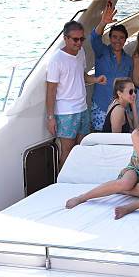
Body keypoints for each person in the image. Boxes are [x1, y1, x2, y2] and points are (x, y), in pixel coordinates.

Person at [65, 99, 139, 209]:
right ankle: (82, 197)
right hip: (137, 169)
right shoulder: (138, 134)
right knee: (126, 182)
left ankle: (118, 189)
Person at [46, 21, 107, 169]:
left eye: (82, 39)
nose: (79, 43)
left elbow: (82, 75)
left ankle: (77, 179)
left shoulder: (80, 53)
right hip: (66, 112)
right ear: (65, 38)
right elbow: (51, 90)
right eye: (75, 39)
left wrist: (95, 79)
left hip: (82, 108)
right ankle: (62, 184)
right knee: (67, 151)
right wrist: (50, 118)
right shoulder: (56, 60)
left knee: (81, 148)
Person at [89, 0, 134, 131]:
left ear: (125, 40)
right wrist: (103, 22)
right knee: (100, 139)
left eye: (121, 38)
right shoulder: (101, 51)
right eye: (114, 37)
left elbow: (129, 84)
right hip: (101, 105)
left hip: (121, 107)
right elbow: (94, 38)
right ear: (110, 38)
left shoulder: (128, 60)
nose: (117, 40)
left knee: (117, 141)